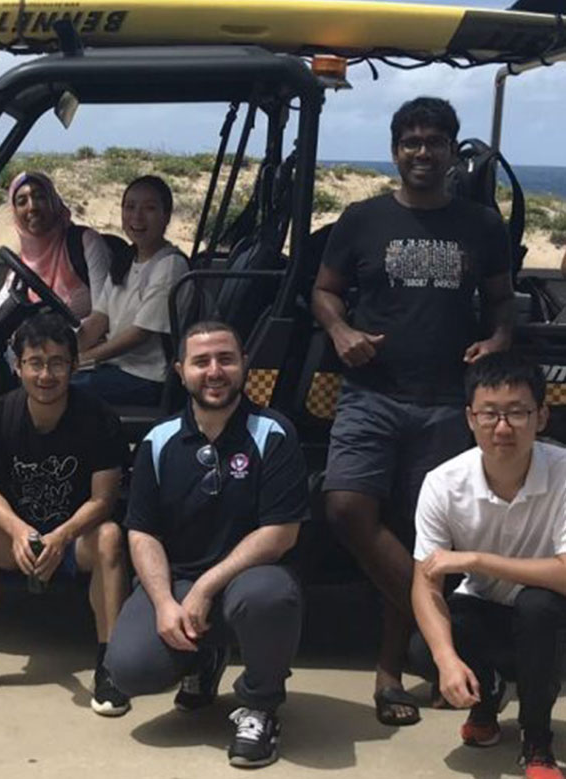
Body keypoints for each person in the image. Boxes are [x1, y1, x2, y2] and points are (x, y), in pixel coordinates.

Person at [311, 96, 515, 727]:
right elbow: (323, 291)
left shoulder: (482, 224)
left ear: (453, 150)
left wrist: (499, 342)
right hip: (371, 393)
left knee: (415, 533)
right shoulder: (361, 218)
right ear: (395, 150)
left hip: (446, 401)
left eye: (434, 141)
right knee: (346, 508)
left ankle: (390, 671)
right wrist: (341, 331)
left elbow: (503, 306)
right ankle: (447, 644)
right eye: (412, 141)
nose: (422, 152)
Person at [105, 321, 308, 768]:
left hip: (247, 581)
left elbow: (281, 533)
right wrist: (162, 601)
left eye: (226, 359)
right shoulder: (157, 442)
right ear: (180, 371)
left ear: (244, 366)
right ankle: (202, 661)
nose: (214, 371)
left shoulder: (273, 434)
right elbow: (142, 532)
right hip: (177, 582)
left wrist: (205, 587)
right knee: (129, 669)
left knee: (268, 597)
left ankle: (260, 706)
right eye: (201, 362)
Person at [0, 312, 130, 716]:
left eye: (58, 363)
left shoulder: (98, 417)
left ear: (75, 365)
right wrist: (20, 530)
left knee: (110, 535)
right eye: (36, 363)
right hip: (18, 540)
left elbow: (103, 499)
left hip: (75, 540)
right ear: (18, 366)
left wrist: (61, 535)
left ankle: (109, 665)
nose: (46, 375)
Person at [408, 351, 566, 779]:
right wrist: (445, 661)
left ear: (542, 416)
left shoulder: (564, 473)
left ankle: (536, 740)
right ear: (469, 417)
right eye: (490, 413)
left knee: (540, 607)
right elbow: (424, 584)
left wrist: (476, 559)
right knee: (425, 647)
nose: (502, 427)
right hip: (484, 610)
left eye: (517, 413)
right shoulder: (443, 483)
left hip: (551, 617)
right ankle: (487, 696)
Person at [74, 175, 188, 406]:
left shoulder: (169, 265)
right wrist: (64, 353)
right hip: (117, 366)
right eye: (130, 207)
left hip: (147, 376)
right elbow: (99, 318)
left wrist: (81, 360)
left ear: (166, 216)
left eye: (150, 208)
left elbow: (139, 334)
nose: (137, 217)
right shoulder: (126, 259)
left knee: (58, 390)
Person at [0, 171, 111, 321]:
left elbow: (104, 312)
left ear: (53, 202)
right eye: (22, 202)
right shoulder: (22, 262)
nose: (32, 207)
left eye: (40, 197)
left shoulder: (85, 243)